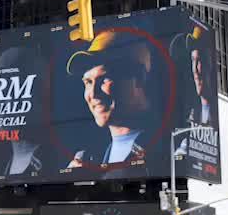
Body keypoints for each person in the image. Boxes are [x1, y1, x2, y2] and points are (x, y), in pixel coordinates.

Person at [65, 31, 159, 174]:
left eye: (105, 79)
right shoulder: (89, 157)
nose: (93, 93)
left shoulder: (170, 146)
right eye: (88, 82)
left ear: (140, 78)